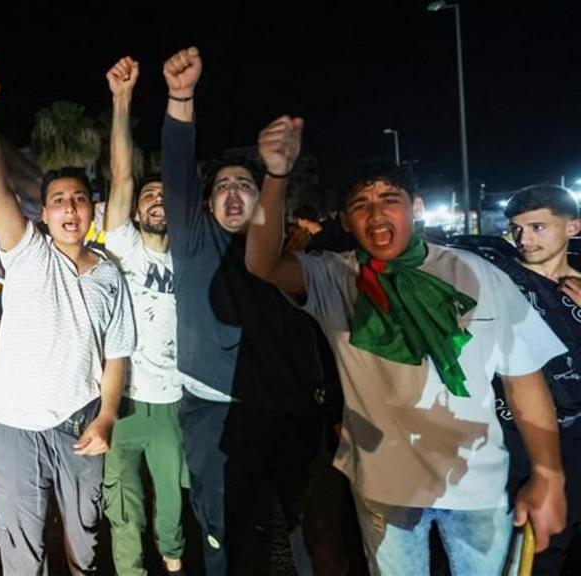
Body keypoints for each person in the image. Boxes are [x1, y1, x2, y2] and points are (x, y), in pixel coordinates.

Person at [245, 120, 569, 574]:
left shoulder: (480, 275)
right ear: (344, 220)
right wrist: (276, 175)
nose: (376, 214)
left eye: (389, 199)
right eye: (360, 204)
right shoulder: (336, 278)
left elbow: (523, 379)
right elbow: (261, 263)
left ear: (414, 209)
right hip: (385, 489)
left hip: (478, 486)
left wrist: (548, 475)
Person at [0, 61, 135, 575]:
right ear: (43, 213)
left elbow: (116, 353)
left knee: (85, 542)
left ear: (91, 211)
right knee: (22, 551)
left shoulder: (109, 274)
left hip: (80, 421)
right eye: (58, 199)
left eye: (79, 199)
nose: (69, 206)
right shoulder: (27, 251)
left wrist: (106, 417)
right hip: (16, 428)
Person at [160, 47, 327, 575]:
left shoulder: (288, 253)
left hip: (290, 410)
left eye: (245, 185)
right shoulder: (190, 240)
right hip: (216, 413)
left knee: (312, 527)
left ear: (263, 199)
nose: (233, 193)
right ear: (206, 203)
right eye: (222, 186)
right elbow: (177, 168)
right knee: (228, 532)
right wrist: (181, 97)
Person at [99, 55, 187, 576]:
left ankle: (176, 568)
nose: (156, 200)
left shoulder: (190, 255)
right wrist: (122, 100)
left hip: (173, 404)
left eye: (165, 194)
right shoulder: (125, 247)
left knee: (172, 511)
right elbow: (122, 172)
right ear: (135, 211)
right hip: (122, 402)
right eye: (149, 196)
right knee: (124, 511)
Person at [487, 185, 581, 575]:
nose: (524, 239)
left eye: (538, 226)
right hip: (517, 437)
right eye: (516, 228)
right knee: (531, 553)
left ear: (573, 227)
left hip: (578, 435)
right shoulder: (495, 277)